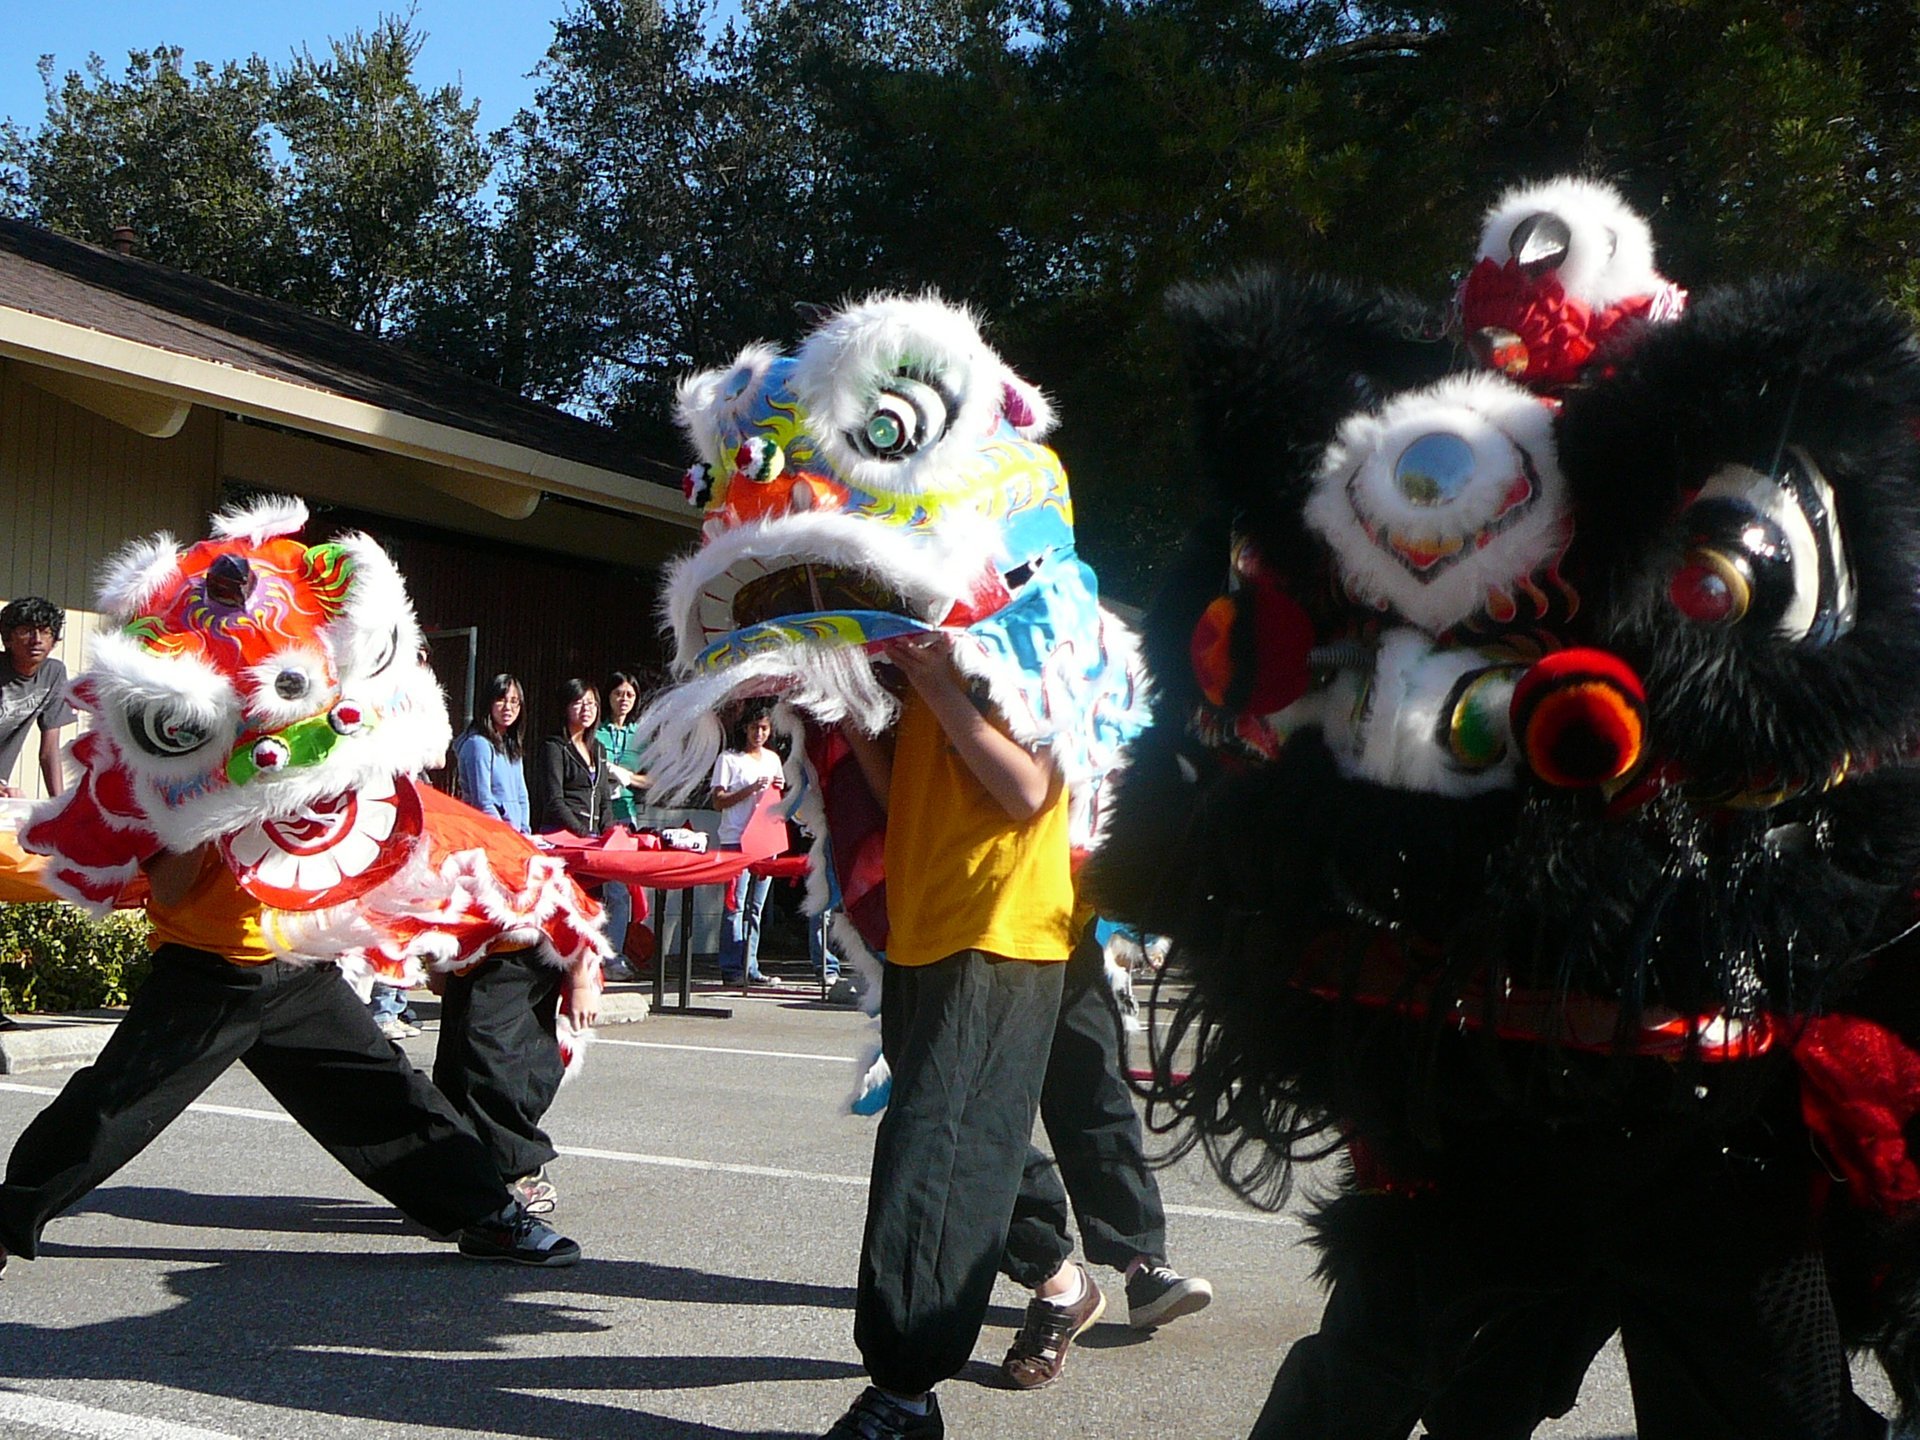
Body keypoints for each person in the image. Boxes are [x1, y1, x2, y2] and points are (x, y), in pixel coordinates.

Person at [0, 839, 580, 1273]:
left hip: (300, 968)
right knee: (110, 1111)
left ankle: (487, 1216)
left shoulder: (316, 746)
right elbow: (170, 887)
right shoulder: (179, 758)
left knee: (390, 1094)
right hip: (208, 973)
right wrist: (229, 812)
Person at [824, 633, 1080, 1440]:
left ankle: (903, 1394)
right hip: (927, 924)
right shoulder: (921, 643)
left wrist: (934, 679)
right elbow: (907, 796)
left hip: (999, 926)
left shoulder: (1030, 631)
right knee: (956, 1136)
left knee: (938, 1154)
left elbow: (1030, 790)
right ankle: (1058, 1277)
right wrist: (853, 712)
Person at [998, 921, 1213, 1388]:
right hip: (961, 922)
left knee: (1094, 1091)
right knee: (974, 1118)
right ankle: (1053, 1275)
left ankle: (1142, 1264)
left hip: (1061, 918)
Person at [708, 705, 786, 989]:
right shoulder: (729, 759)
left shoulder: (774, 759)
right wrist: (749, 790)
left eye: (764, 728)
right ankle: (731, 968)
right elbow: (718, 801)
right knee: (734, 905)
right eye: (755, 728)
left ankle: (750, 965)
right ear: (745, 728)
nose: (759, 733)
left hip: (765, 839)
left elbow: (780, 801)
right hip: (735, 838)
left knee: (756, 907)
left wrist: (780, 788)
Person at [595, 671, 651, 982]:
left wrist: (628, 777)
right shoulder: (597, 731)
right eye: (618, 693)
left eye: (629, 694)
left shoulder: (639, 735)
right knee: (598, 890)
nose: (624, 699)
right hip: (596, 817)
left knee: (619, 892)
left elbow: (651, 778)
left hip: (626, 817)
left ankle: (612, 956)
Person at [0, 597, 73, 798]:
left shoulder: (53, 673)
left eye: (45, 631)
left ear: (55, 640)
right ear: (7, 639)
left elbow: (49, 751)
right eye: (26, 631)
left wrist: (59, 806)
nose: (37, 639)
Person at [453, 675, 530, 833]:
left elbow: (522, 796)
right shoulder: (478, 744)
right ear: (489, 703)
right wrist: (506, 836)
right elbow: (482, 801)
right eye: (501, 699)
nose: (508, 707)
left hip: (515, 837)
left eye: (514, 701)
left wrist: (524, 832)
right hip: (489, 835)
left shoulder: (511, 744)